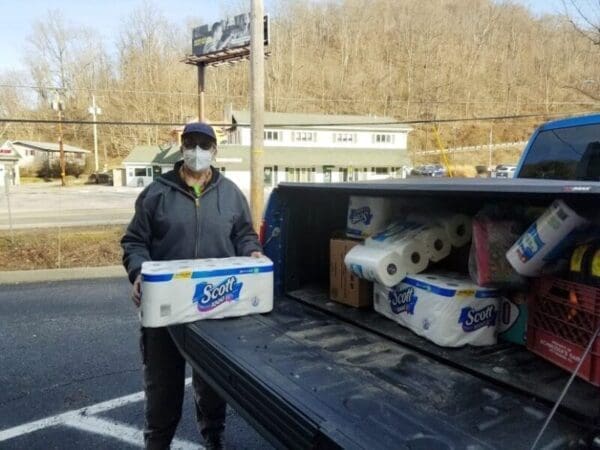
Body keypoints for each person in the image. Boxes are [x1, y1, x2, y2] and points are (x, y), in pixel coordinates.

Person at [121, 122, 263, 450]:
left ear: (215, 151)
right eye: (191, 143)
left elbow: (243, 233)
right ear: (181, 147)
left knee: (213, 385)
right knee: (163, 391)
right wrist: (139, 272)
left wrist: (251, 250)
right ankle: (157, 443)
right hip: (165, 308)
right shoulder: (156, 193)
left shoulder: (230, 193)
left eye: (204, 145)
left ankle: (213, 437)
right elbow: (134, 241)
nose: (197, 151)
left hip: (215, 304)